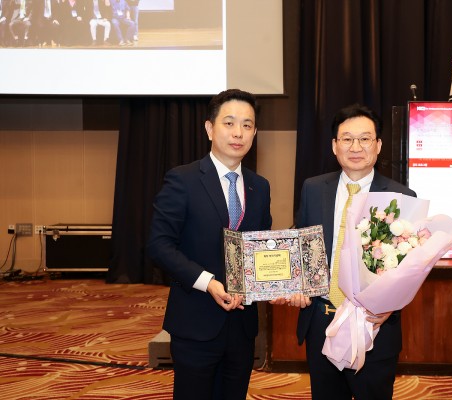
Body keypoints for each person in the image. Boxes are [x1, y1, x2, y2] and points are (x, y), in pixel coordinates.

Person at [146, 89, 272, 400]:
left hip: (242, 326)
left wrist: (280, 280)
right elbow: (159, 245)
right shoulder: (183, 179)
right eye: (229, 123)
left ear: (254, 132)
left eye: (247, 125)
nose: (238, 133)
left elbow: (259, 249)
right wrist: (208, 283)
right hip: (196, 322)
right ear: (209, 128)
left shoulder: (260, 186)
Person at [288, 104, 417, 399]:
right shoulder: (313, 188)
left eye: (365, 139)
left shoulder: (401, 197)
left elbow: (410, 268)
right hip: (321, 322)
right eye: (346, 139)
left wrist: (389, 306)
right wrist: (296, 284)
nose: (355, 147)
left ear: (378, 145)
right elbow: (301, 245)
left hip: (373, 324)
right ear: (334, 146)